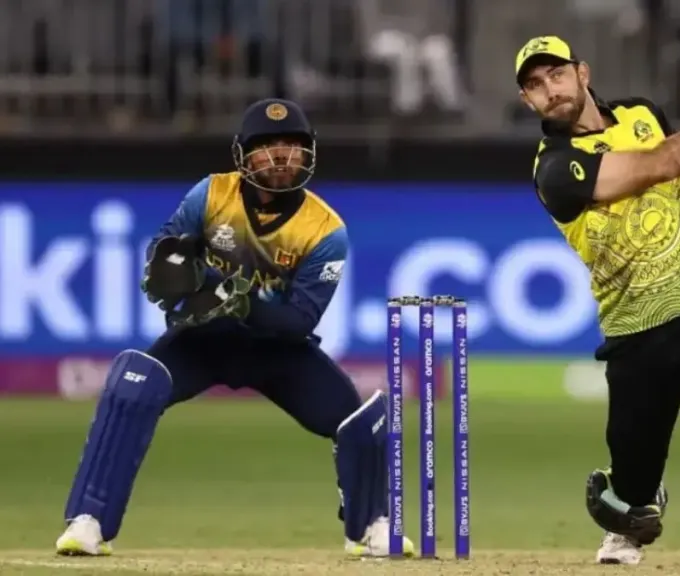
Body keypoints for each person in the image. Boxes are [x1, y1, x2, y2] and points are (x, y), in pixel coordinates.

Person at [54, 98, 414, 559]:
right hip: (204, 340)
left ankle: (371, 526)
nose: (281, 159)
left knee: (360, 420)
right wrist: (171, 265)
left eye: (292, 148)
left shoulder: (325, 230)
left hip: (276, 351)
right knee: (133, 384)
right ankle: (88, 520)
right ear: (243, 155)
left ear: (308, 155)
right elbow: (166, 249)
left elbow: (299, 321)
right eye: (268, 148)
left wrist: (237, 300)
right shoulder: (211, 195)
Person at [516, 36, 680, 572]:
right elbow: (657, 166)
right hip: (633, 323)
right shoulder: (554, 168)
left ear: (582, 73)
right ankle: (635, 505)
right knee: (631, 488)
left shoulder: (642, 114)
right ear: (528, 101)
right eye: (535, 85)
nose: (550, 89)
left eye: (557, 74)